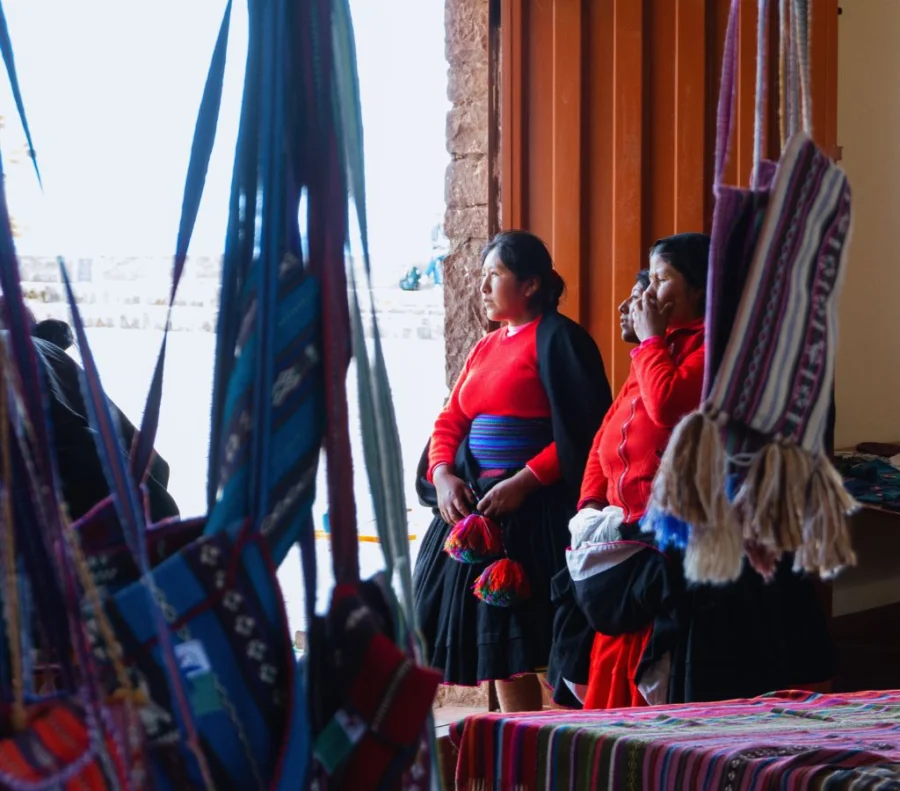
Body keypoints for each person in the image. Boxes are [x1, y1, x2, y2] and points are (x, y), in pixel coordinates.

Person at [554, 233, 834, 710]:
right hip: (633, 533)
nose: (647, 293)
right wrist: (591, 508)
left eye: (662, 279)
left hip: (699, 536)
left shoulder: (723, 350)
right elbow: (610, 431)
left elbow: (668, 406)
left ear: (702, 289)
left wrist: (649, 342)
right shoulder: (661, 348)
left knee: (698, 677)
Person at [413, 230, 613, 712]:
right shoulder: (484, 348)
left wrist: (524, 481)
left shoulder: (563, 341)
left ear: (530, 284)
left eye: (494, 275)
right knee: (493, 645)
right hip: (476, 512)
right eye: (481, 276)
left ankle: (542, 753)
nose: (482, 287)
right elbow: (451, 420)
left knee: (523, 645)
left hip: (532, 513)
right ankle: (504, 749)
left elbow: (585, 432)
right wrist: (442, 474)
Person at [545, 267, 650, 707]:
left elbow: (660, 408)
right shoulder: (641, 363)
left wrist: (526, 476)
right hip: (603, 526)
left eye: (644, 293)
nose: (626, 308)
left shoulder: (563, 339)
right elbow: (601, 439)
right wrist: (588, 507)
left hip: (646, 536)